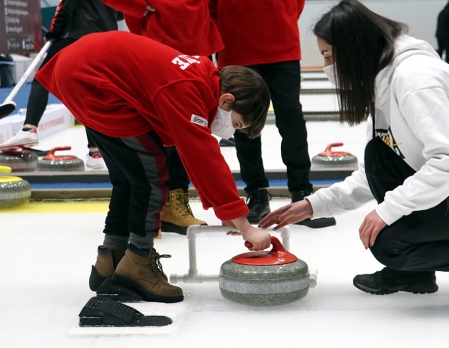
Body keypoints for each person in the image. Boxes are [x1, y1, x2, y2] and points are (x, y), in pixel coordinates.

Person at [260, 0, 449, 310]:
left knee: (390, 243)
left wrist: (388, 210)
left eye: (330, 56)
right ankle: (416, 275)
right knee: (378, 156)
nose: (328, 67)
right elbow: (377, 172)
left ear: (354, 49)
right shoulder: (383, 85)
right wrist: (314, 205)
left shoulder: (413, 80)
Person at [34, 31, 272, 302]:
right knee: (152, 176)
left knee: (129, 176)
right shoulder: (187, 87)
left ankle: (111, 257)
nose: (231, 132)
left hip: (80, 69)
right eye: (238, 124)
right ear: (227, 100)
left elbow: (191, 150)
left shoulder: (198, 77)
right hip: (92, 79)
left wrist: (224, 209)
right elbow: (202, 155)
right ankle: (138, 262)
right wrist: (244, 223)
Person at [88, 0, 225, 234]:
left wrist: (204, 7)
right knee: (151, 127)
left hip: (195, 31)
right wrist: (135, 5)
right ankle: (150, 207)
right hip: (157, 32)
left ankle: (174, 204)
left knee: (191, 126)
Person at [204, 0, 336, 228]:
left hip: (282, 44)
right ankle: (257, 193)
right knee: (244, 123)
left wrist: (282, 17)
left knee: (291, 119)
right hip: (237, 45)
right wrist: (227, 26)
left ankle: (301, 193)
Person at [0, 0, 122, 169]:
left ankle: (29, 128)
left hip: (75, 32)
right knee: (91, 91)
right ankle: (96, 152)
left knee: (42, 77)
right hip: (107, 33)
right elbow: (120, 7)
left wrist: (55, 30)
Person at [435, 0, 449, 64]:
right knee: (447, 51)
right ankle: (447, 64)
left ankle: (438, 64)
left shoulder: (442, 11)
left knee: (440, 51)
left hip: (439, 34)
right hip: (446, 35)